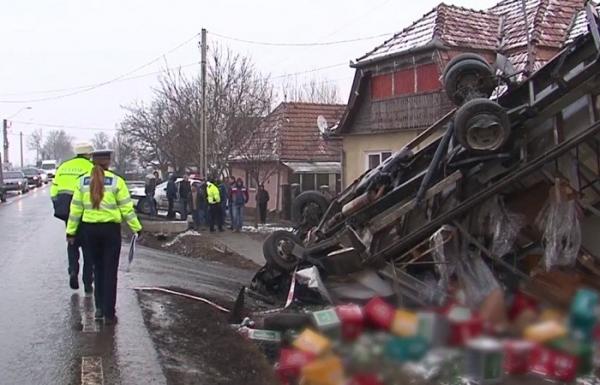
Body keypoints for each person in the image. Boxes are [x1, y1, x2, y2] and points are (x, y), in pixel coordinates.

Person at [66, 150, 142, 324]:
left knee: (97, 269)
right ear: (108, 162)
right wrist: (136, 228)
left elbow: (75, 209)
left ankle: (99, 308)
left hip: (89, 232)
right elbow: (126, 209)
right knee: (110, 272)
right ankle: (109, 313)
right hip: (110, 232)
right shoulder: (117, 181)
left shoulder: (82, 182)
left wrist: (70, 232)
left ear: (93, 162)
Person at [51, 142, 95, 292]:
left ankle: (73, 270)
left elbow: (54, 188)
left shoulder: (64, 166)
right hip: (84, 212)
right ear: (89, 154)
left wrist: (56, 203)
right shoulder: (91, 168)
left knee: (72, 242)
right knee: (88, 248)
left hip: (65, 211)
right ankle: (88, 282)